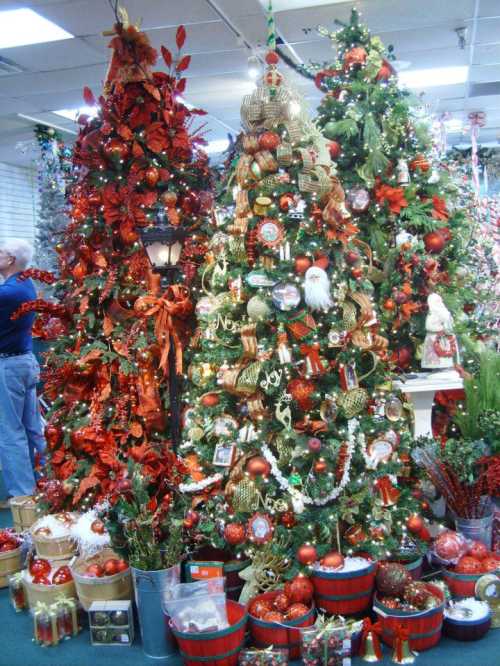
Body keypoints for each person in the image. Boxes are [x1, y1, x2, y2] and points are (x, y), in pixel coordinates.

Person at [0, 238, 45, 498]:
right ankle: (48, 485)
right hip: (24, 363)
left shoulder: (7, 293)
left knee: (10, 432)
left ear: (11, 260)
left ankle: (22, 497)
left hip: (9, 366)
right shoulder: (24, 285)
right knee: (31, 429)